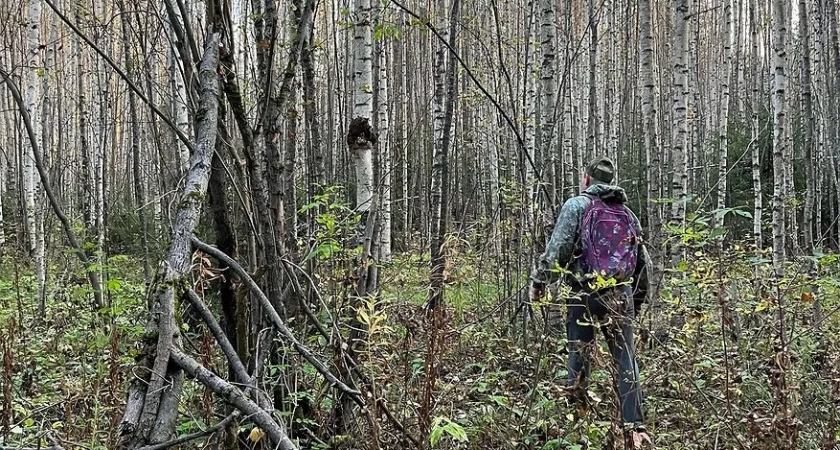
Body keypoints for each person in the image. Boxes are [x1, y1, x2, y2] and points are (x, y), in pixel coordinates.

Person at [530, 156, 652, 448]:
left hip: (583, 292)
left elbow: (558, 248)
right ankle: (635, 428)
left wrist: (539, 281)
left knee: (579, 353)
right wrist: (636, 298)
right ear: (609, 182)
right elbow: (643, 263)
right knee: (625, 359)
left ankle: (577, 420)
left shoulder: (577, 205)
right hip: (620, 294)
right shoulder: (628, 214)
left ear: (586, 179)